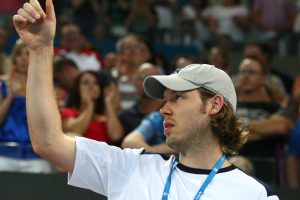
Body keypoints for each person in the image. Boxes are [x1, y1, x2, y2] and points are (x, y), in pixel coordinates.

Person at [14, 1, 279, 199]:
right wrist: (40, 50)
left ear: (214, 105)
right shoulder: (130, 166)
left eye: (177, 98)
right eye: (165, 100)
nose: (164, 109)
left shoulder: (254, 195)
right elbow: (47, 141)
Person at [0, 39, 54, 173]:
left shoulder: (45, 87)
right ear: (14, 59)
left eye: (28, 54)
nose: (23, 58)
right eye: (20, 54)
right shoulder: (2, 84)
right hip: (5, 154)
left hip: (36, 155)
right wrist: (10, 97)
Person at [60, 70, 123, 144]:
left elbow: (116, 136)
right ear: (78, 89)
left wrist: (108, 102)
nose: (91, 86)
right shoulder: (67, 112)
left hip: (102, 154)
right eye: (86, 82)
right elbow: (75, 132)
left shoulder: (106, 117)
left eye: (96, 83)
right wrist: (90, 105)